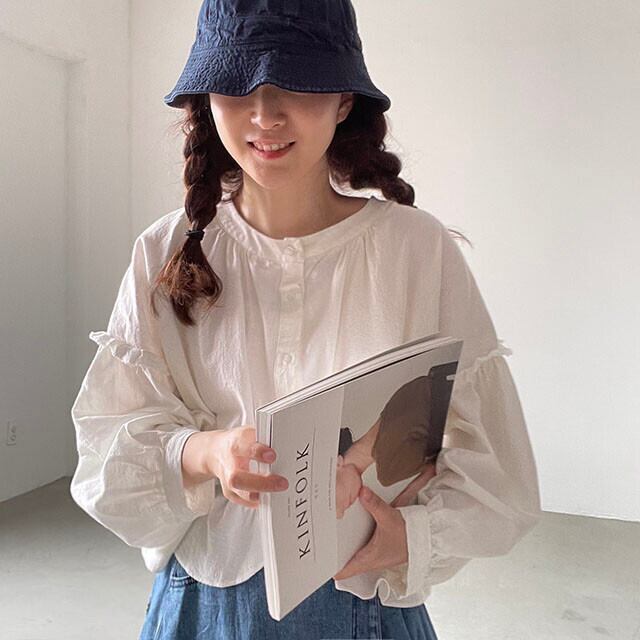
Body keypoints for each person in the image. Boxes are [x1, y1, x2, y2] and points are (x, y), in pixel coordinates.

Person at [68, 0, 543, 638]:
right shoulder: (166, 250)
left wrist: (413, 537)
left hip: (362, 599)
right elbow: (105, 448)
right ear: (206, 99)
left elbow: (498, 467)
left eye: (299, 83)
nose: (266, 114)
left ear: (344, 101)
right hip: (206, 602)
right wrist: (207, 452)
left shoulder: (415, 249)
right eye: (237, 85)